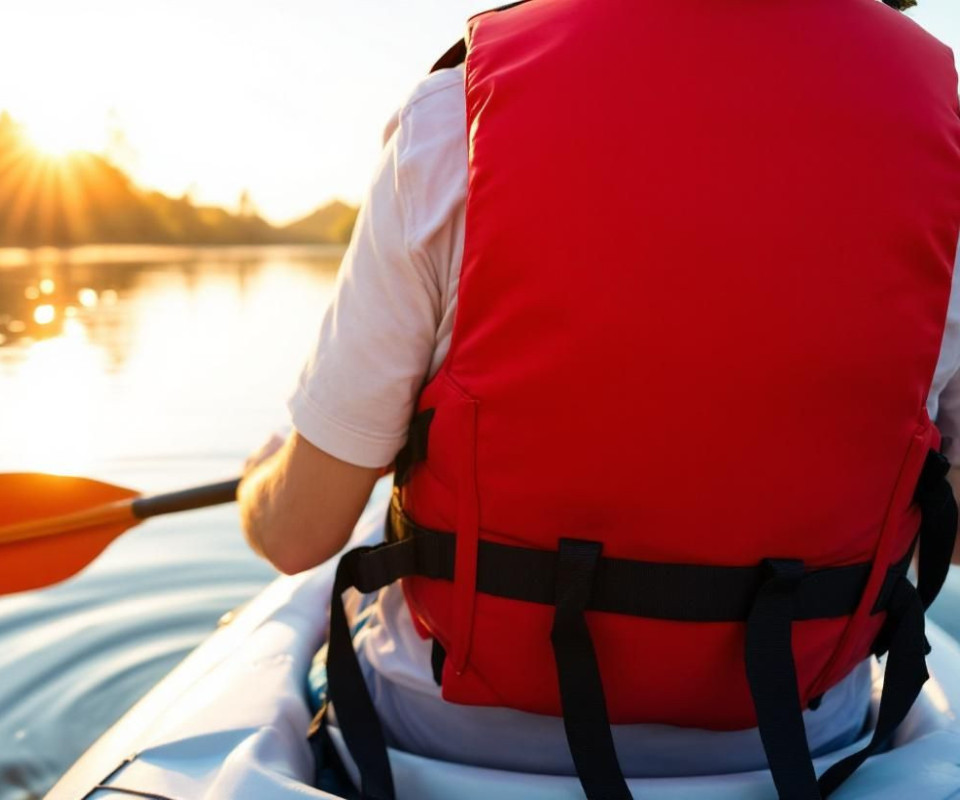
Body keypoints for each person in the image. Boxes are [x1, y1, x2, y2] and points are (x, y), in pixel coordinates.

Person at [239, 1, 960, 798]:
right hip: (798, 743)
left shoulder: (456, 114)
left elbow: (299, 534)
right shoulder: (945, 141)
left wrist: (263, 482)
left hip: (442, 739)